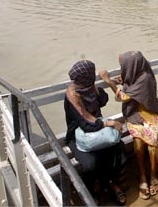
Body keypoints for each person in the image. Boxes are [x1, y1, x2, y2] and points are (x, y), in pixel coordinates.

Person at [100, 51, 158, 200]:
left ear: (132, 66)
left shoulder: (145, 78)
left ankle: (153, 174)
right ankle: (143, 175)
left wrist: (109, 81)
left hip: (150, 114)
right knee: (138, 144)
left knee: (153, 145)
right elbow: (131, 89)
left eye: (123, 66)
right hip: (135, 115)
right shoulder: (137, 75)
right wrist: (124, 82)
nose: (122, 68)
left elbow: (124, 97)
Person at [64, 60, 127, 205]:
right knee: (90, 163)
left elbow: (103, 100)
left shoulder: (89, 87)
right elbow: (85, 123)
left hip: (97, 127)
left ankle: (111, 184)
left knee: (119, 150)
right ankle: (92, 191)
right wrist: (109, 123)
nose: (76, 83)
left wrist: (102, 84)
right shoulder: (73, 95)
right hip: (78, 134)